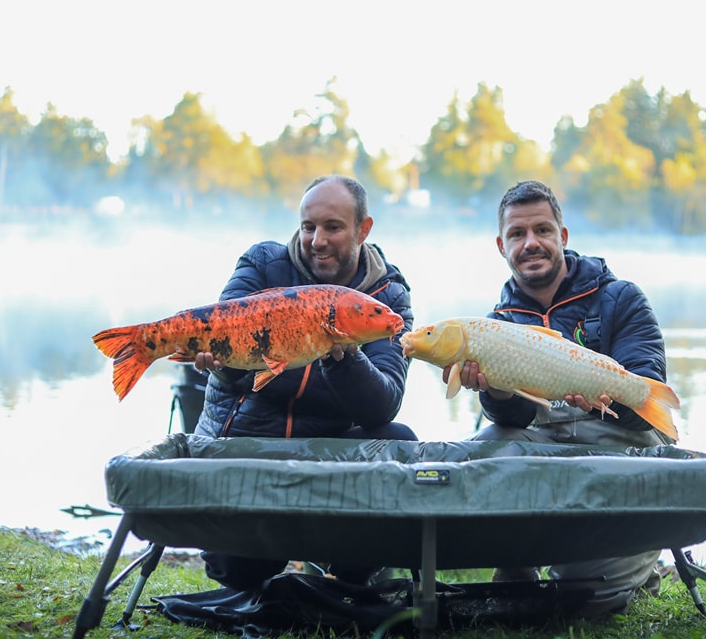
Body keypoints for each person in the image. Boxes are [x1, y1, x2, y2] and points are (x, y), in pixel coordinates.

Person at [446, 179, 673, 617]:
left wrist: (603, 397)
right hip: (545, 449)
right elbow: (511, 418)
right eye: (517, 234)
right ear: (501, 245)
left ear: (562, 236)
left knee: (582, 599)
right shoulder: (498, 322)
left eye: (542, 230)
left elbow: (646, 401)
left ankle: (638, 561)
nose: (531, 243)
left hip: (617, 445)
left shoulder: (620, 297)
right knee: (479, 450)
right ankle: (517, 560)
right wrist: (493, 390)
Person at [193, 174, 416, 592]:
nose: (317, 240)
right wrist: (218, 364)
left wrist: (343, 356)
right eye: (308, 226)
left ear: (363, 230)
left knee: (398, 438)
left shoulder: (387, 297)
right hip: (246, 442)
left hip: (325, 456)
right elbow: (222, 334)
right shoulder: (263, 264)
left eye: (333, 227)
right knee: (236, 573)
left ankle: (344, 564)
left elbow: (382, 405)